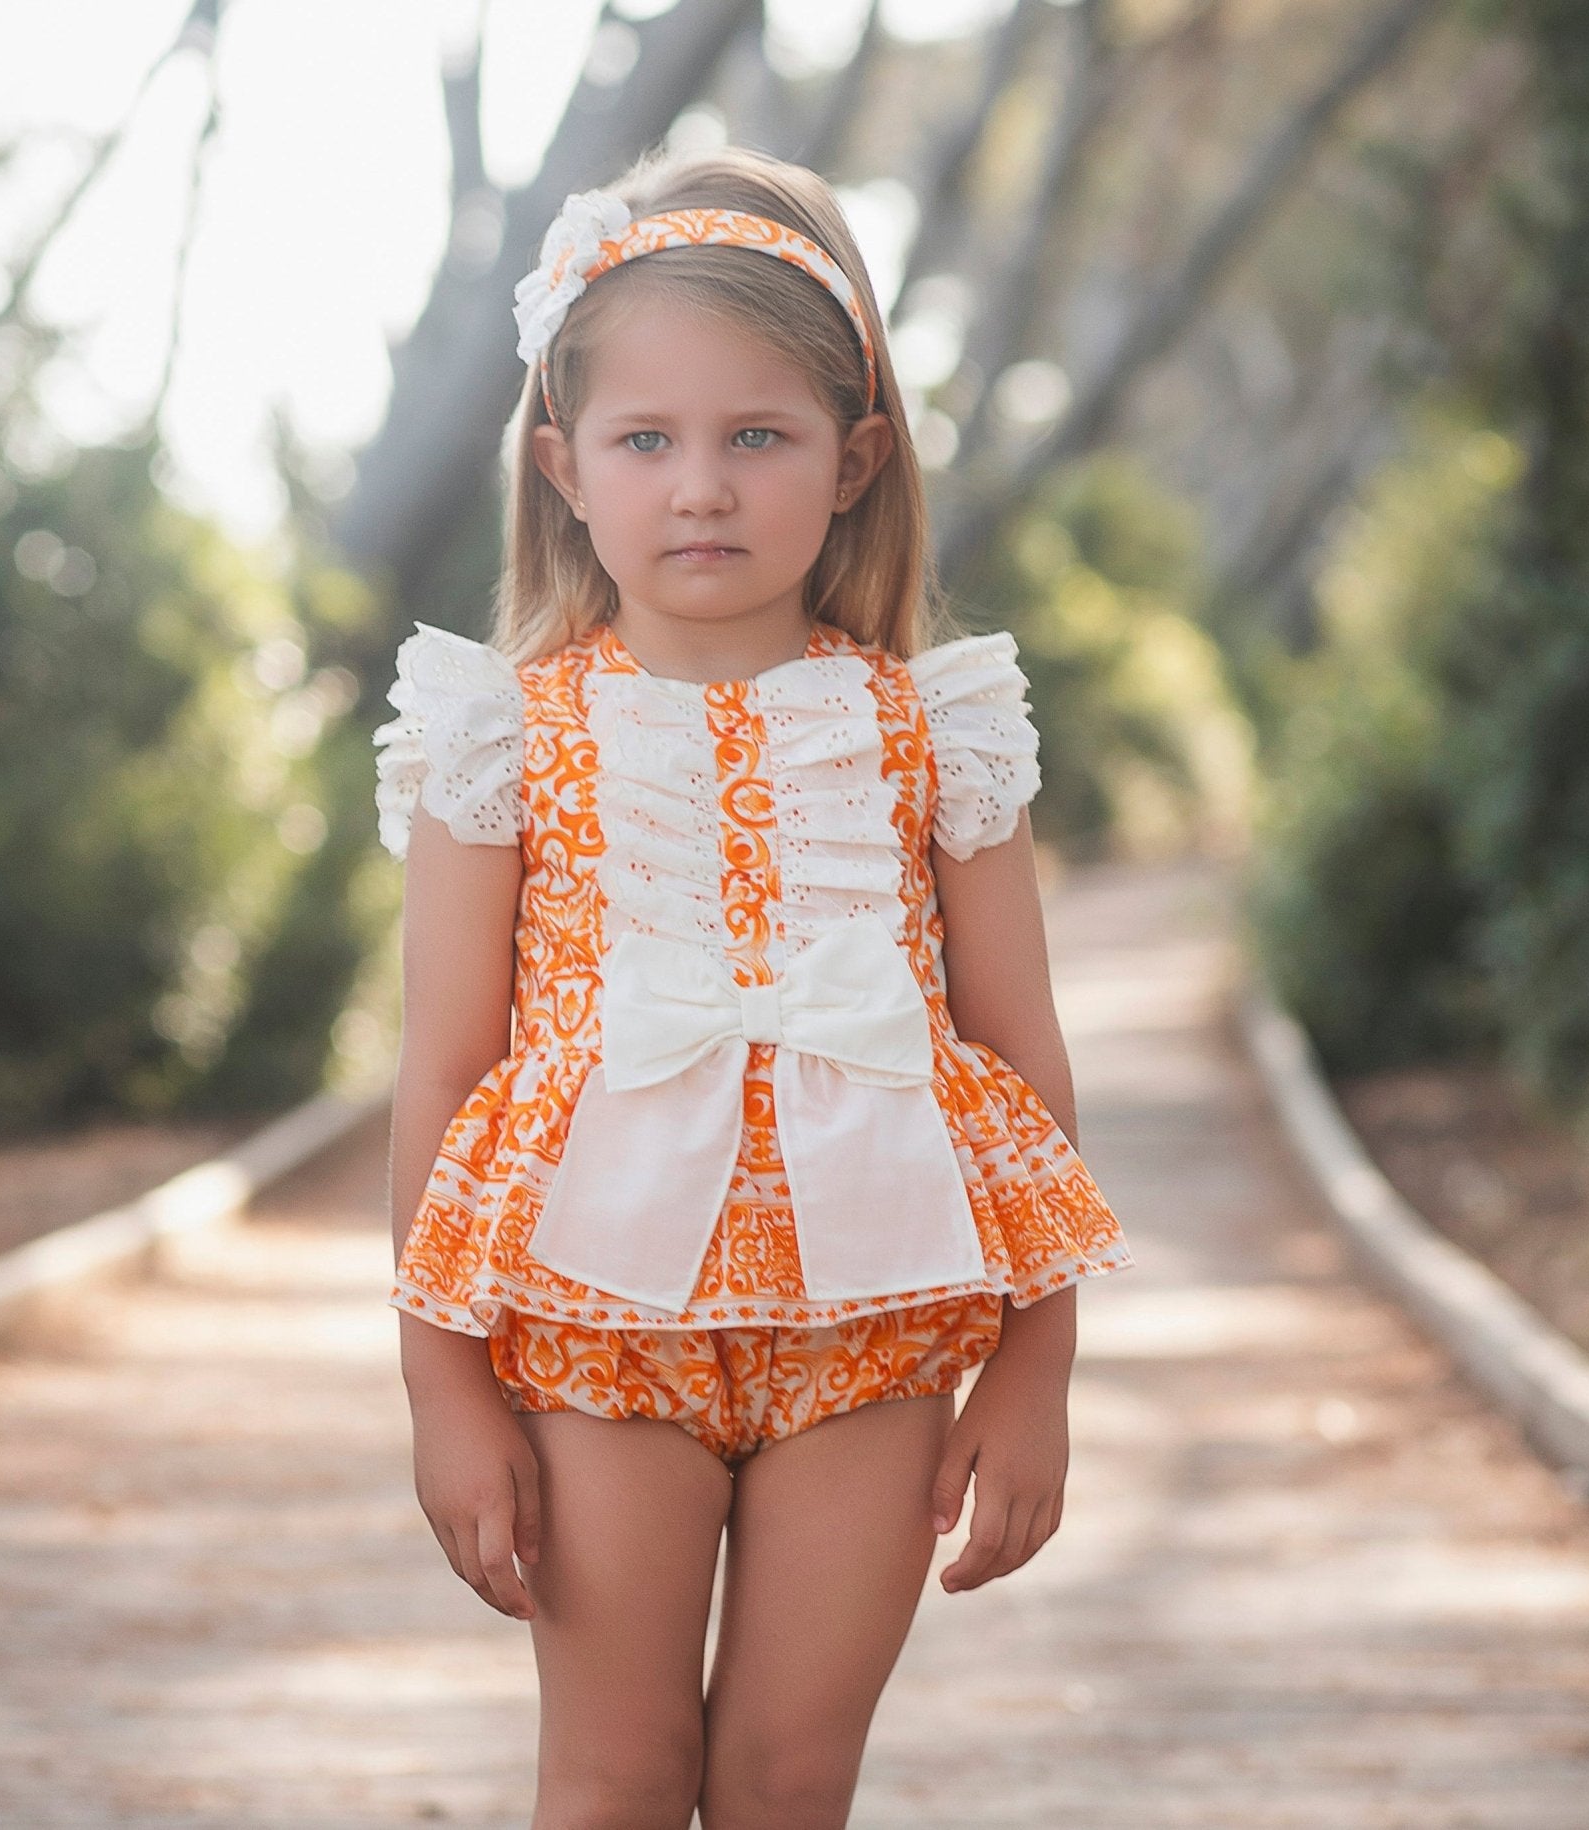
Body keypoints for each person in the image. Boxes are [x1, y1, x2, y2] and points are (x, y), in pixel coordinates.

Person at [372, 143, 1134, 1830]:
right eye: (648, 440)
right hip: (595, 1333)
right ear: (565, 468)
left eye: (757, 437)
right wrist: (442, 1389)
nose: (699, 486)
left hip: (872, 1330)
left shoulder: (939, 732)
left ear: (855, 460)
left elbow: (1020, 1063)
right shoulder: (498, 738)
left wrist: (1038, 1369)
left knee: (791, 1781)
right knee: (617, 1774)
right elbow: (441, 1074)